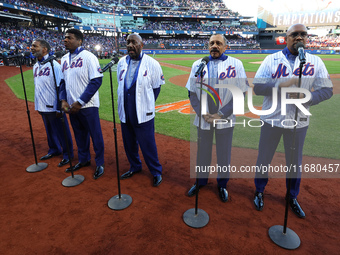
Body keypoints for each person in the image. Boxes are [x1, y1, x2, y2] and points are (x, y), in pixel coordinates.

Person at [252, 23, 333, 218]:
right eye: (294, 34)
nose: (299, 38)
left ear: (307, 38)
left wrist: (308, 98)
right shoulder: (271, 60)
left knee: (294, 163)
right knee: (264, 158)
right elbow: (258, 87)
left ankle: (292, 196)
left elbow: (327, 90)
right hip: (272, 119)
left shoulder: (315, 61)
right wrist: (281, 85)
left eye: (303, 34)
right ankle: (259, 191)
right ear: (286, 38)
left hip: (299, 121)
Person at [185, 34, 249, 202]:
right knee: (202, 153)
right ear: (208, 46)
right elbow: (192, 92)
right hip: (203, 118)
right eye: (212, 43)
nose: (214, 46)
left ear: (225, 47)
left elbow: (241, 93)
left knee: (224, 154)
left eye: (218, 43)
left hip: (225, 118)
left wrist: (221, 114)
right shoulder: (198, 64)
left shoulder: (236, 64)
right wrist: (203, 113)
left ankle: (222, 185)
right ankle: (201, 182)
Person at [117, 33, 164, 187]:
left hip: (143, 112)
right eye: (128, 42)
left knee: (148, 144)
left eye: (134, 42)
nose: (130, 45)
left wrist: (146, 103)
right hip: (126, 110)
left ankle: (156, 171)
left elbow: (156, 88)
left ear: (141, 45)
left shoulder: (152, 64)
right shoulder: (121, 63)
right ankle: (135, 166)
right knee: (129, 143)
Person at [59, 29, 105, 180]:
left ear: (79, 41)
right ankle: (83, 160)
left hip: (88, 105)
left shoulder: (88, 56)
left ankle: (100, 164)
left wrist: (81, 101)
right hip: (72, 105)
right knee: (79, 135)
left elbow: (96, 80)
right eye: (65, 37)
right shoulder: (64, 58)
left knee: (95, 135)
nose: (65, 40)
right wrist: (63, 100)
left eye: (69, 38)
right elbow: (63, 82)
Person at [30, 39, 74, 167]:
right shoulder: (36, 66)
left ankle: (68, 154)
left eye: (35, 46)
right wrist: (38, 105)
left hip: (54, 105)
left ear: (44, 49)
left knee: (62, 130)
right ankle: (54, 149)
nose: (31, 48)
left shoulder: (54, 65)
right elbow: (37, 86)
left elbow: (61, 86)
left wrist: (60, 106)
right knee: (49, 131)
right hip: (43, 105)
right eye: (32, 46)